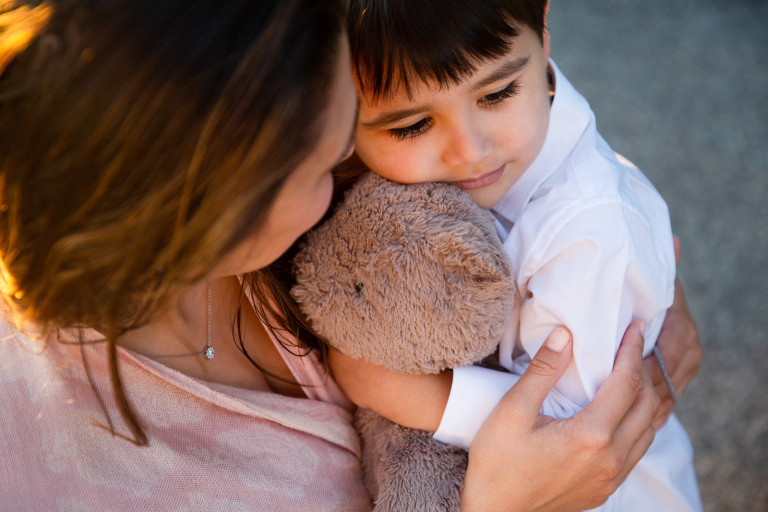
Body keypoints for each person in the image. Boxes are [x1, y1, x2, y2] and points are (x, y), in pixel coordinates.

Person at [0, 0, 701, 510]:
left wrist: (625, 241)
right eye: (326, 163)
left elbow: (480, 67)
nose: (353, 169)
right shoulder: (50, 455)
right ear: (190, 215)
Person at [329, 0, 703, 510]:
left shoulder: (590, 233)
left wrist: (403, 391)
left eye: (498, 93)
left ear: (543, 30)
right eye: (412, 126)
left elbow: (582, 429)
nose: (471, 150)